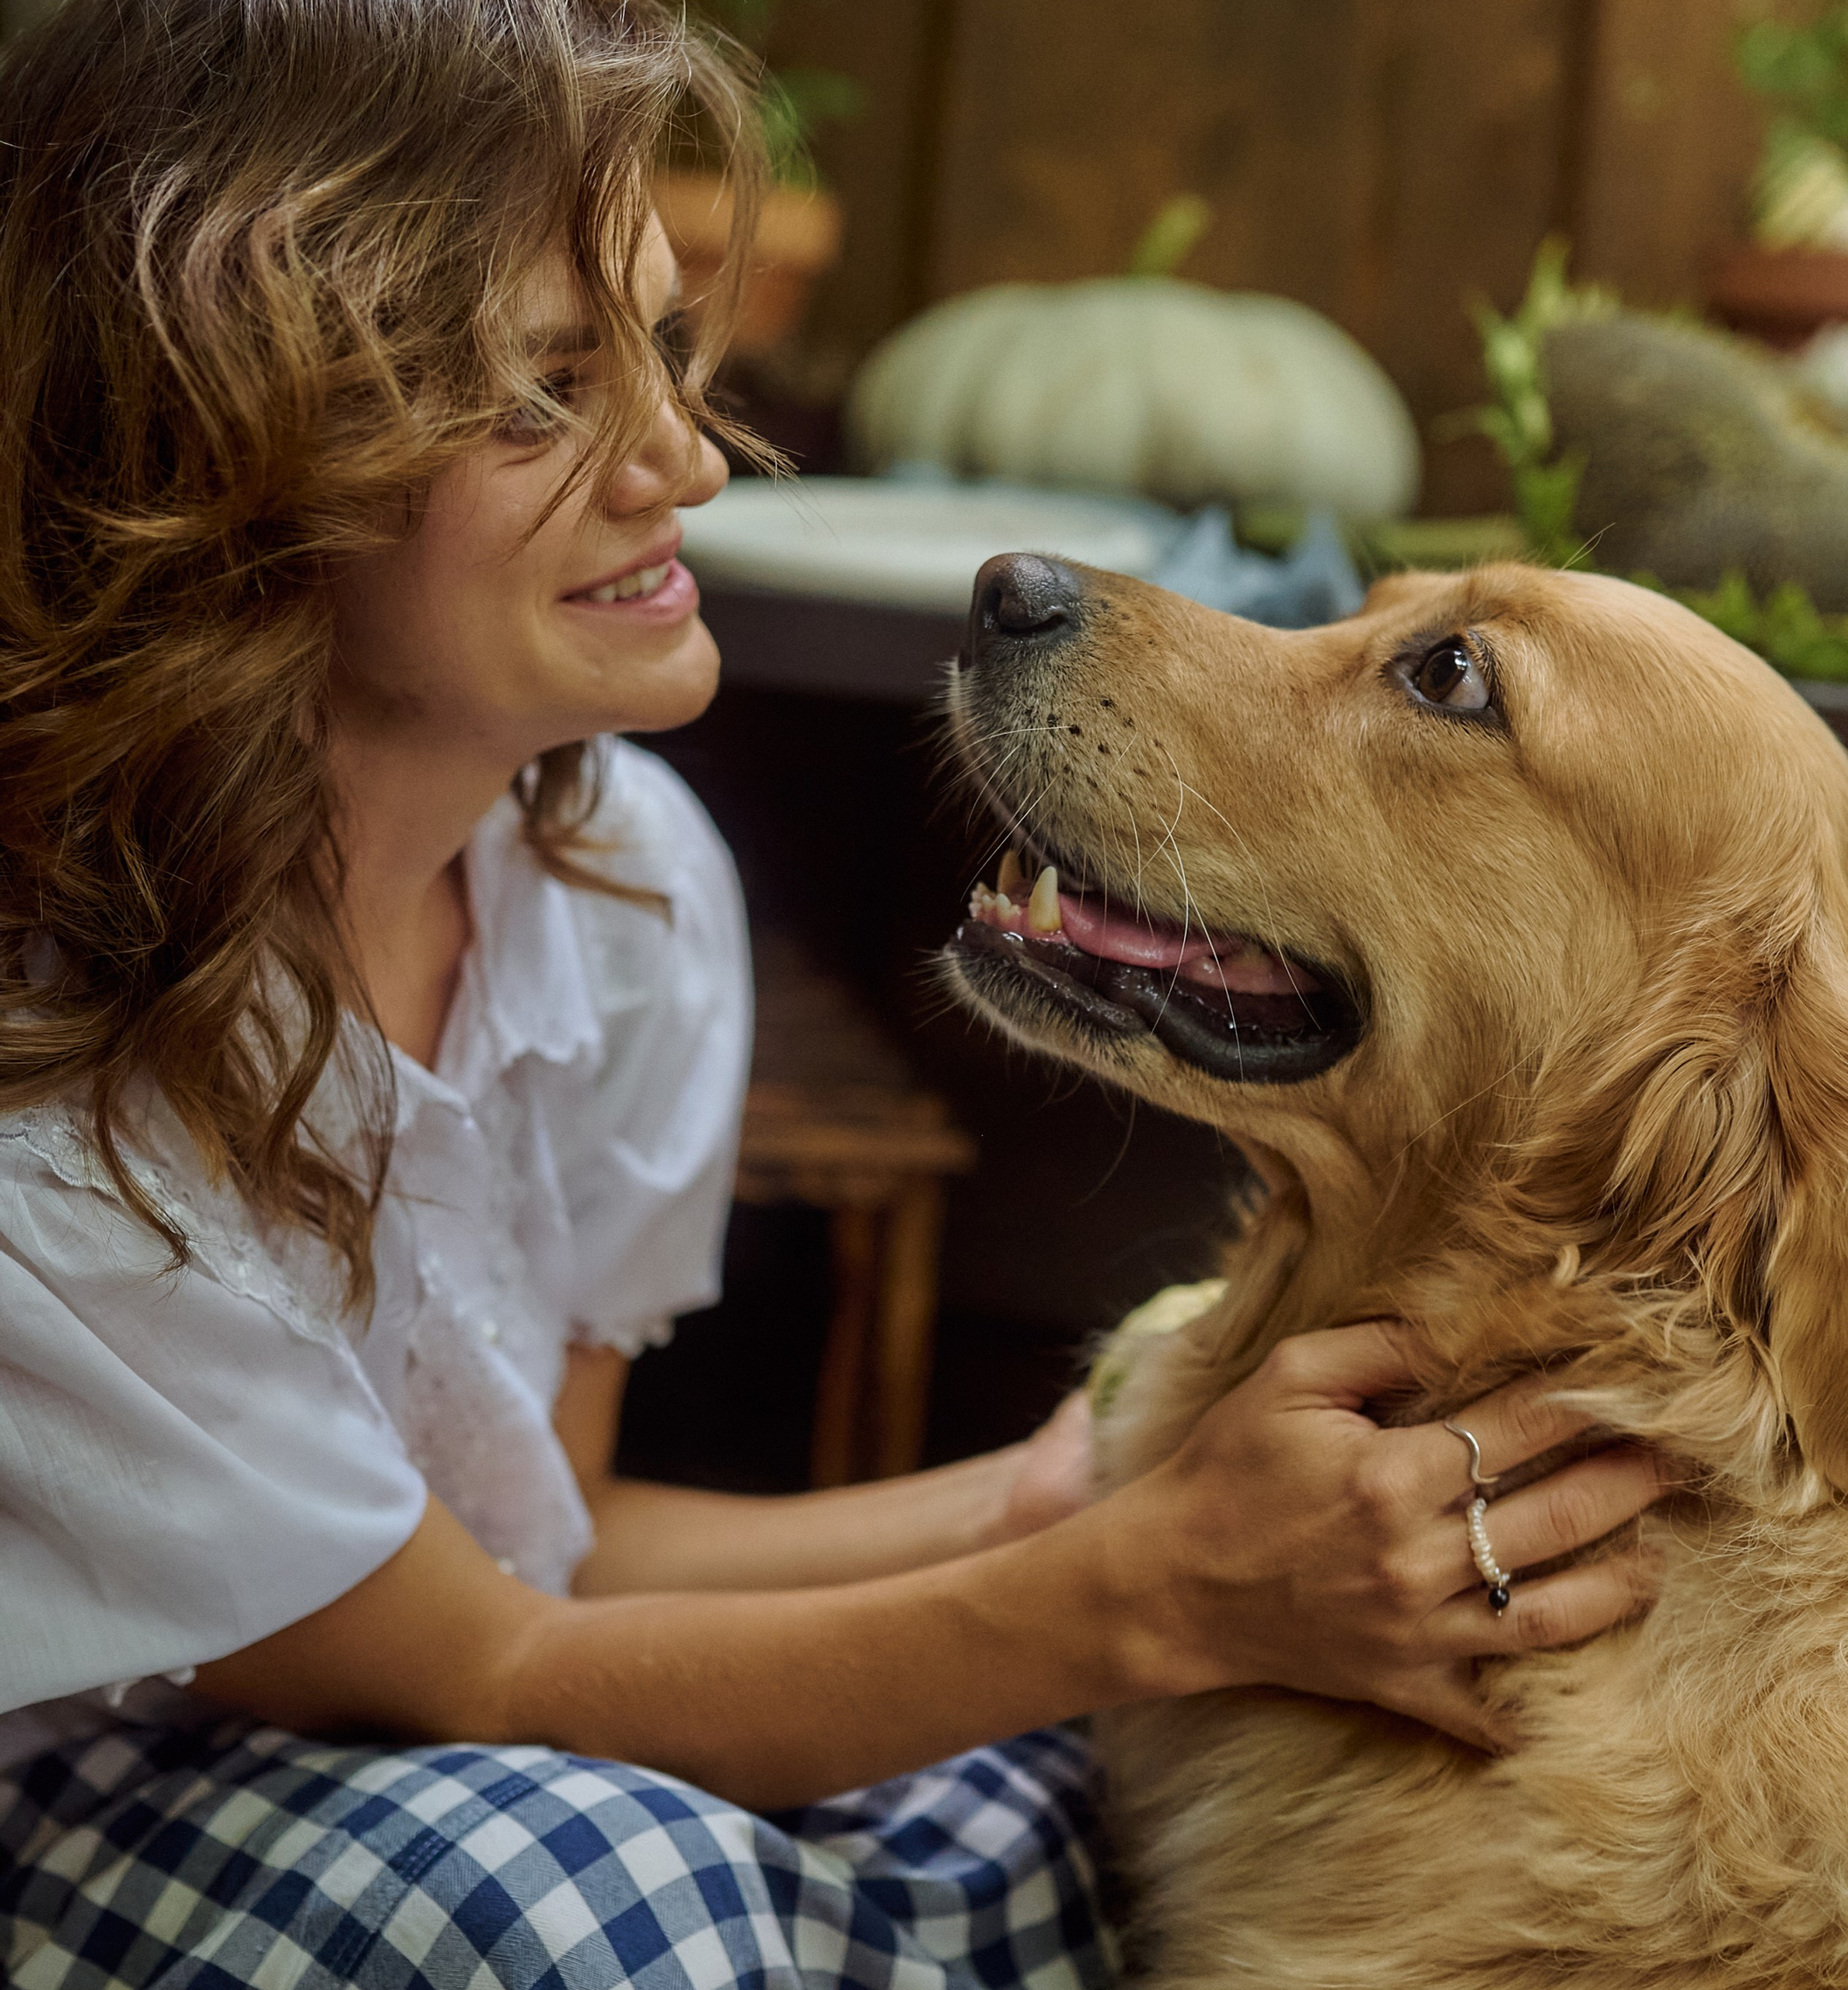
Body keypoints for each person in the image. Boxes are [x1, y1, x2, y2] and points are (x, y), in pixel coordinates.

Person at [0, 2, 1666, 1985]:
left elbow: (562, 1545)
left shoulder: (608, 890)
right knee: (623, 1902)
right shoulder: (52, 1117)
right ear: (221, 465)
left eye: (655, 348)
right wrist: (1146, 1588)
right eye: (547, 388)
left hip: (446, 1714)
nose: (682, 457)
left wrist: (1073, 1490)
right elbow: (493, 1666)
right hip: (85, 1786)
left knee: (1061, 1815)